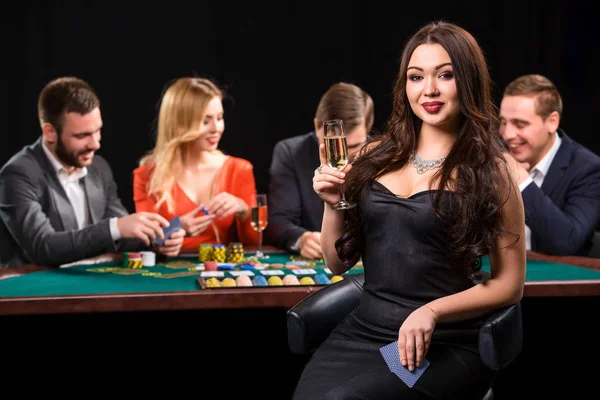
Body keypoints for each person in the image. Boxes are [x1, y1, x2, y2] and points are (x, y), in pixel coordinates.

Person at [292, 21, 526, 400]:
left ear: (467, 81)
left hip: (442, 341)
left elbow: (509, 284)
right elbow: (336, 264)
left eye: (445, 75)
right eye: (416, 77)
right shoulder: (372, 156)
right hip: (365, 333)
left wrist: (431, 312)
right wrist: (333, 205)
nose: (428, 89)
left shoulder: (491, 170)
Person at [0, 76, 185, 268]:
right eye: (82, 136)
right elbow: (43, 247)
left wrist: (156, 240)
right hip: (32, 290)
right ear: (50, 132)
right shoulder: (17, 175)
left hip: (88, 285)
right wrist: (114, 227)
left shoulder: (99, 167)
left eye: (98, 131)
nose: (95, 143)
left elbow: (123, 236)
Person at [133, 77, 258, 252]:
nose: (216, 128)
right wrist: (178, 227)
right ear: (179, 124)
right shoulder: (146, 176)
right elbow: (144, 242)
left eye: (220, 118)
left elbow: (255, 243)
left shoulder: (239, 169)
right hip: (165, 275)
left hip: (217, 272)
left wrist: (244, 210)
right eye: (205, 121)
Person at [267, 82, 374, 259]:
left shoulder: (383, 155)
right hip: (318, 261)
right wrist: (301, 239)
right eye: (335, 145)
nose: (344, 156)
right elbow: (278, 220)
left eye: (354, 146)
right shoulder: (290, 152)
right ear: (317, 126)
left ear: (368, 132)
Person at [499, 74, 600, 256]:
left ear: (552, 122)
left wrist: (521, 181)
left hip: (555, 280)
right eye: (503, 122)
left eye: (520, 124)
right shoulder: (496, 158)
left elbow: (568, 242)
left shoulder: (588, 169)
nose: (507, 134)